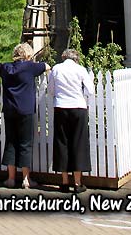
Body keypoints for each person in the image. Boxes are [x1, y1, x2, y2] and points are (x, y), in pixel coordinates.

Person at [0, 42, 49, 189]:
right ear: (28, 55)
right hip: (26, 110)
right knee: (25, 143)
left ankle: (11, 178)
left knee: (11, 142)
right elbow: (46, 66)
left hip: (10, 110)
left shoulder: (6, 68)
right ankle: (26, 179)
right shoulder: (31, 67)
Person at [47, 48, 95, 194]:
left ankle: (64, 182)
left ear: (63, 57)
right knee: (78, 143)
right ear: (76, 58)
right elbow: (90, 90)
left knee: (62, 142)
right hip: (78, 107)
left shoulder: (56, 69)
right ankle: (77, 182)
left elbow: (50, 89)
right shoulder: (81, 70)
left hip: (61, 107)